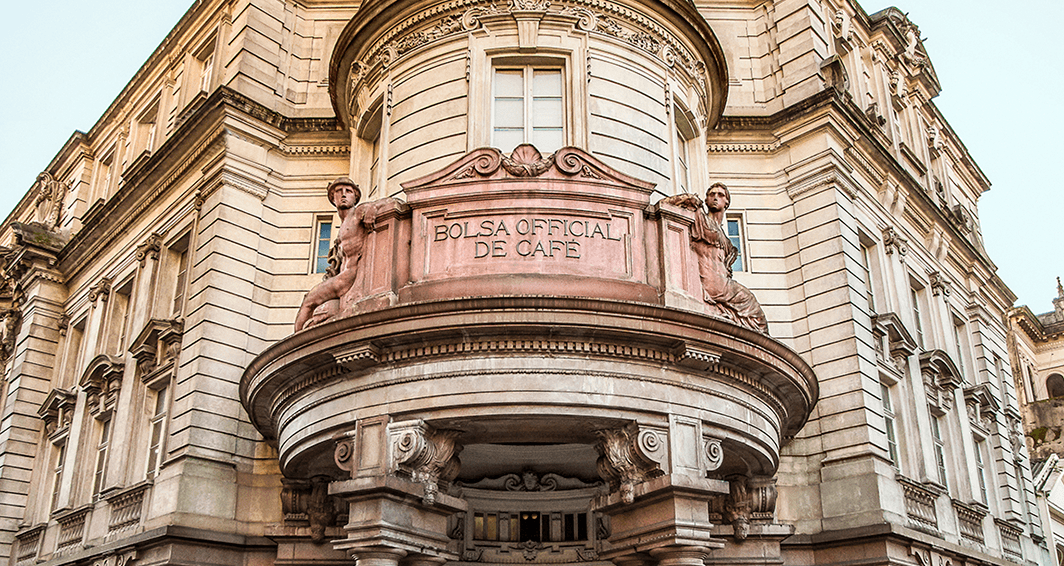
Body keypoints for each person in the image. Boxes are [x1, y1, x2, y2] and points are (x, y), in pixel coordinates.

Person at [664, 183, 769, 333]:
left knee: (756, 320)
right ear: (706, 200)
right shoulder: (700, 218)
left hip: (723, 282)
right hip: (713, 283)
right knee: (756, 313)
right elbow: (665, 204)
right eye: (711, 194)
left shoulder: (724, 236)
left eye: (720, 195)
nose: (715, 197)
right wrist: (687, 198)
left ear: (727, 202)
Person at [295, 178, 377, 331]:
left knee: (309, 301)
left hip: (347, 278)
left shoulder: (357, 213)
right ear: (333, 198)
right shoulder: (344, 224)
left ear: (356, 197)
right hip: (342, 276)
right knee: (310, 304)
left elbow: (382, 203)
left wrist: (370, 209)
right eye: (339, 192)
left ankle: (295, 343)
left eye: (349, 191)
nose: (344, 195)